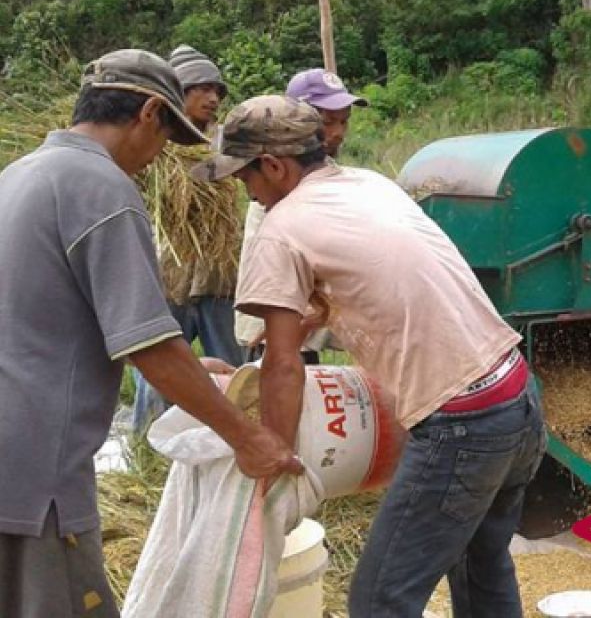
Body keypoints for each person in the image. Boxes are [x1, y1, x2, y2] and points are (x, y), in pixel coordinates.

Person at [194, 95, 545, 618]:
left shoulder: (281, 227)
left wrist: (271, 456)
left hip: (462, 424)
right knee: (480, 563)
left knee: (380, 600)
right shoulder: (369, 183)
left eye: (247, 179)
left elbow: (285, 365)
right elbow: (383, 277)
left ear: (273, 165)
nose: (251, 193)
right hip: (518, 394)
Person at [0, 51, 303, 618]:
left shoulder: (20, 175)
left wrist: (201, 377)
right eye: (165, 137)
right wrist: (248, 437)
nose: (157, 157)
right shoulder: (103, 189)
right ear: (149, 112)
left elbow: (51, 320)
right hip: (35, 474)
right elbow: (149, 346)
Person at [131, 45, 245, 432]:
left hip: (219, 279)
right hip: (168, 278)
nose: (212, 98)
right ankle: (149, 447)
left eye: (217, 90)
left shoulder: (229, 143)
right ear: (175, 92)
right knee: (159, 371)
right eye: (201, 88)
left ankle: (235, 442)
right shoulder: (152, 142)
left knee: (233, 371)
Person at [233, 68, 368, 362]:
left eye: (344, 122)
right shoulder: (277, 183)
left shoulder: (322, 174)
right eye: (328, 121)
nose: (338, 133)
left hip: (305, 325)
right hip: (279, 326)